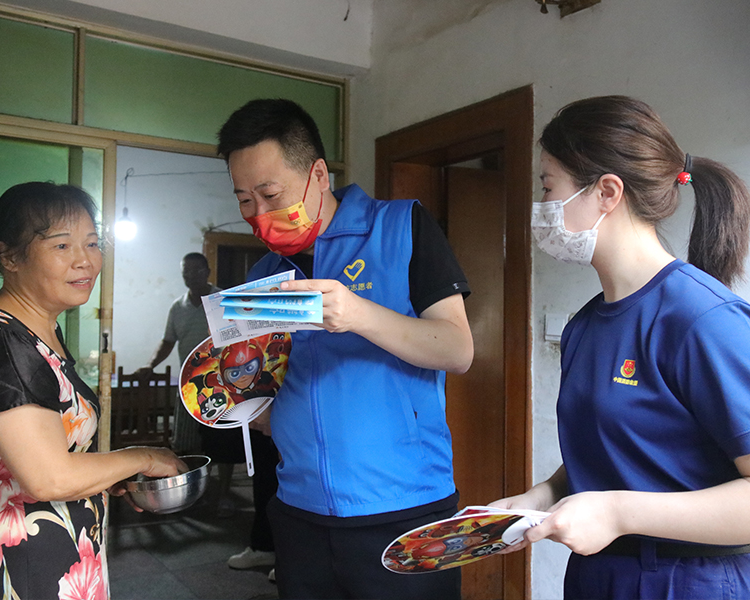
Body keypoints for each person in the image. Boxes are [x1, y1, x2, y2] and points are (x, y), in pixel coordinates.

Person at [491, 95, 750, 599]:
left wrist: (617, 512)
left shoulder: (701, 319)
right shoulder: (586, 325)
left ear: (607, 192)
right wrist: (541, 497)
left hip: (688, 581)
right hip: (600, 577)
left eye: (548, 186)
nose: (540, 207)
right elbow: (616, 452)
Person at [217, 99, 474, 600]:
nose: (260, 216)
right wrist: (244, 400)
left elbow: (457, 349)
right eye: (245, 200)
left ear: (318, 175)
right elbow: (263, 389)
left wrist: (358, 314)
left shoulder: (402, 227)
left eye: (270, 194)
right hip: (299, 512)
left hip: (405, 509)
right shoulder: (264, 275)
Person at [0, 182, 185, 600]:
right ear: (9, 256)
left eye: (92, 243)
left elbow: (52, 453)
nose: (85, 260)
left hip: (59, 560)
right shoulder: (0, 342)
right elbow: (49, 477)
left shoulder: (39, 332)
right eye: (61, 246)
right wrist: (145, 457)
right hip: (20, 571)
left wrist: (105, 475)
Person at [138, 252, 241, 516]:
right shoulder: (178, 307)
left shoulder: (223, 301)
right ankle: (195, 494)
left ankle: (224, 494)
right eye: (186, 272)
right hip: (190, 385)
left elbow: (241, 339)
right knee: (188, 442)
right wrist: (150, 365)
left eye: (196, 271)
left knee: (223, 442)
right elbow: (168, 341)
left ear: (208, 272)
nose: (190, 276)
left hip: (221, 384)